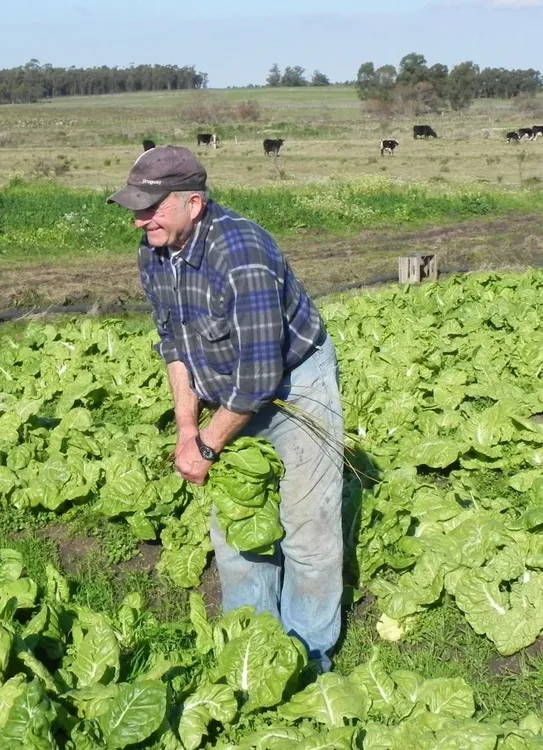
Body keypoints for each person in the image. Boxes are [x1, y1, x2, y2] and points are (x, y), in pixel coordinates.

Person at [106, 145, 345, 670]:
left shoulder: (241, 251)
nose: (139, 219)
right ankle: (251, 648)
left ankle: (308, 654)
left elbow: (262, 376)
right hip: (226, 394)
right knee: (238, 527)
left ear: (193, 203)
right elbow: (174, 343)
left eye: (151, 207)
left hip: (295, 387)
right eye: (135, 207)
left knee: (309, 531)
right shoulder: (154, 250)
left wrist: (209, 445)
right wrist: (188, 428)